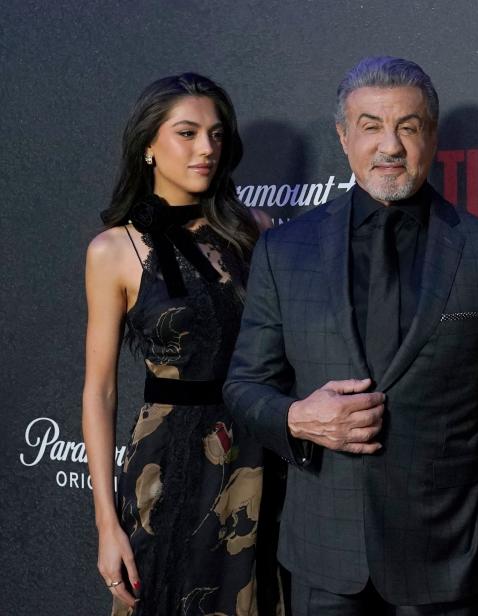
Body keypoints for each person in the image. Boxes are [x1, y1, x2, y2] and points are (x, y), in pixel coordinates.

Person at [223, 56, 478, 615]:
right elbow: (245, 383)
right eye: (371, 126)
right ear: (344, 138)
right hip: (327, 550)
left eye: (408, 126)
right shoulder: (285, 250)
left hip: (445, 552)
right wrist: (295, 418)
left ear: (432, 136)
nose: (390, 146)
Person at [82, 73, 280, 615]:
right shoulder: (113, 250)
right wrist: (106, 523)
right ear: (148, 144)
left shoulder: (255, 231)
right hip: (164, 468)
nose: (206, 149)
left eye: (216, 135)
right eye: (187, 133)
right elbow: (99, 393)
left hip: (257, 457)